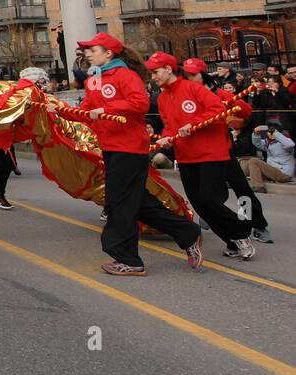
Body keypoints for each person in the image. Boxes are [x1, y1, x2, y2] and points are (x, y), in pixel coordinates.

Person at [50, 36, 201, 276]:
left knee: (118, 202)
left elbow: (140, 103)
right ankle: (187, 232)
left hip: (129, 147)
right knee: (139, 201)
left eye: (93, 50)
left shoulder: (125, 75)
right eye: (87, 50)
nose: (88, 54)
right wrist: (59, 111)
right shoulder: (94, 78)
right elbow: (88, 112)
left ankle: (129, 260)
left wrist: (108, 109)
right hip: (110, 146)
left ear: (108, 53)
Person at [148, 52, 256, 261]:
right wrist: (166, 138)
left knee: (209, 200)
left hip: (210, 154)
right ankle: (232, 240)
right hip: (187, 156)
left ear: (169, 70)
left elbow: (217, 110)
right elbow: (170, 126)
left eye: (155, 72)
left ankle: (242, 232)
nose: (153, 77)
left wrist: (195, 123)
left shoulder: (193, 89)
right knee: (199, 204)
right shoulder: (162, 98)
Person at [246, 124, 294, 193]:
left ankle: (258, 186)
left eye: (272, 132)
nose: (269, 134)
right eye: (269, 132)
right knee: (249, 162)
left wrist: (276, 134)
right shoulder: (268, 142)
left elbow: (290, 144)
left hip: (284, 174)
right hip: (274, 171)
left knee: (254, 161)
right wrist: (256, 133)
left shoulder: (284, 142)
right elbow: (257, 143)